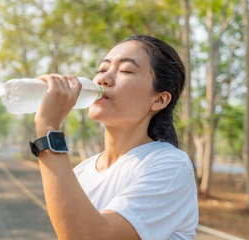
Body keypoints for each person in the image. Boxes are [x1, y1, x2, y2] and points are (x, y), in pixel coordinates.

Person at [30, 35, 198, 240]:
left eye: (126, 70)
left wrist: (48, 128)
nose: (102, 79)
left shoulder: (170, 165)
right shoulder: (82, 172)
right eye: (101, 70)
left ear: (159, 99)